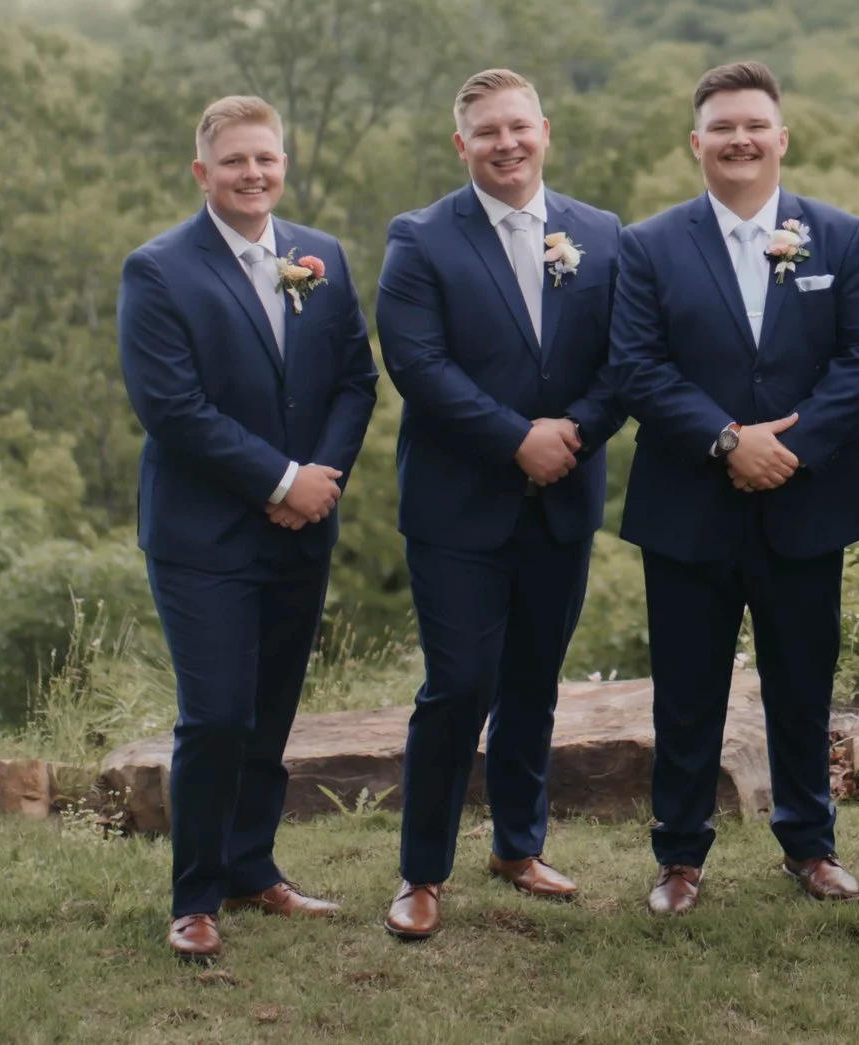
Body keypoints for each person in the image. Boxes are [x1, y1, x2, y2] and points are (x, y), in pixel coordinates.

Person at [610, 61, 859, 915]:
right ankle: (679, 854)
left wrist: (786, 450)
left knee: (802, 685)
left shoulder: (839, 235)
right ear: (696, 142)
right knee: (685, 692)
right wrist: (729, 440)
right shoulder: (648, 244)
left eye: (755, 125)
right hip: (688, 503)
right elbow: (636, 366)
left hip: (806, 501)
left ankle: (810, 844)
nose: (741, 139)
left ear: (782, 137)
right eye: (723, 127)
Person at [116, 95, 378, 962]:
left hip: (301, 528)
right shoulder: (159, 270)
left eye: (265, 157)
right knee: (217, 714)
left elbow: (355, 381)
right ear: (203, 171)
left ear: (283, 164)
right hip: (203, 535)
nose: (252, 172)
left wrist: (319, 481)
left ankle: (252, 867)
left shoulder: (320, 254)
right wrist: (280, 479)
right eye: (234, 160)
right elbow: (172, 408)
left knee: (269, 713)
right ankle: (195, 897)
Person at [371, 69, 625, 941]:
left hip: (564, 498)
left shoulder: (601, 233)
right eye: (487, 132)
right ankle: (421, 872)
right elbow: (418, 365)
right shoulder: (420, 238)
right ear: (462, 145)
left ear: (544, 130)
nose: (506, 143)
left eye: (519, 126)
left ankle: (519, 845)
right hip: (458, 505)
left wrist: (575, 433)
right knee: (457, 686)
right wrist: (518, 438)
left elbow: (626, 358)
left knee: (533, 682)